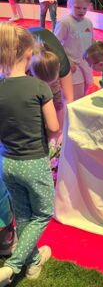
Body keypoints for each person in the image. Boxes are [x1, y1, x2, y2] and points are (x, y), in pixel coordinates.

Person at [0, 23, 59, 286]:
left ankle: (33, 261)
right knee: (43, 214)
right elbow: (54, 127)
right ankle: (12, 266)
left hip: (7, 162)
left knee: (23, 215)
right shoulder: (38, 87)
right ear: (27, 53)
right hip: (33, 161)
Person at [55, 0, 94, 100]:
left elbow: (90, 41)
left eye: (84, 8)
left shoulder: (88, 22)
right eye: (78, 8)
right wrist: (67, 60)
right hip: (73, 67)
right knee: (74, 97)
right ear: (70, 5)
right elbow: (55, 44)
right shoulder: (65, 22)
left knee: (83, 94)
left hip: (86, 65)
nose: (81, 11)